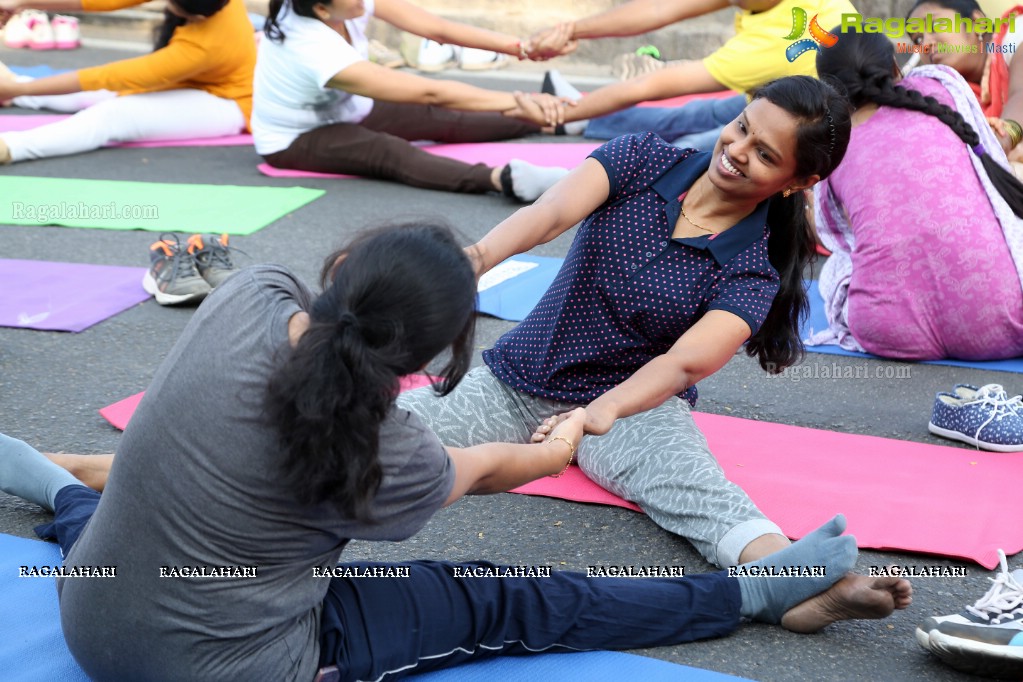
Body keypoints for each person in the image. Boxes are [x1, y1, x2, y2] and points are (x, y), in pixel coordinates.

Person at [0, 222, 911, 681]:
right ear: (431, 357)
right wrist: (555, 444)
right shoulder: (381, 451)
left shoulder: (250, 301)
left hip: (97, 610)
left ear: (342, 266)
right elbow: (487, 468)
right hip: (225, 665)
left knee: (135, 516)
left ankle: (42, 476)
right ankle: (754, 593)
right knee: (502, 597)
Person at [396, 75, 852, 570]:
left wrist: (597, 414)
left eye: (765, 155)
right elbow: (549, 214)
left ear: (799, 182)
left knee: (702, 494)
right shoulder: (642, 158)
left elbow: (683, 365)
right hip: (517, 381)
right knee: (373, 435)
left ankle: (801, 580)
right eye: (742, 128)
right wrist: (475, 259)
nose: (737, 150)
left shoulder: (751, 268)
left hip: (632, 410)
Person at [809, 30, 1023, 360]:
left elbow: (839, 236)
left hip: (892, 332)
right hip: (1005, 323)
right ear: (894, 66)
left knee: (839, 267)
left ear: (828, 91)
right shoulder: (939, 85)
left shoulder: (833, 143)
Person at [254, 0, 573, 201]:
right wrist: (515, 100)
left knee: (439, 117)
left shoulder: (334, 4)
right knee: (387, 150)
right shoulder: (310, 45)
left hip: (351, 107)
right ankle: (504, 178)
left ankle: (551, 120)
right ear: (323, 10)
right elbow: (429, 90)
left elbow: (438, 29)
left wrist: (522, 47)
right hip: (294, 138)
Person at [524, 0, 854, 150]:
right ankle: (583, 120)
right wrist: (571, 30)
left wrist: (558, 109)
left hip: (815, 134)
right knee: (692, 114)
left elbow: (645, 85)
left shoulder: (777, 42)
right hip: (781, 101)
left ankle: (557, 180)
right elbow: (658, 9)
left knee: (690, 150)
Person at [0, 0, 255, 163]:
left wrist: (20, 88)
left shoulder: (203, 48)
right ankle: (14, 91)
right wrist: (20, 2)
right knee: (91, 95)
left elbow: (111, 77)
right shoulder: (212, 5)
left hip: (229, 102)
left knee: (113, 114)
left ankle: (11, 146)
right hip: (194, 81)